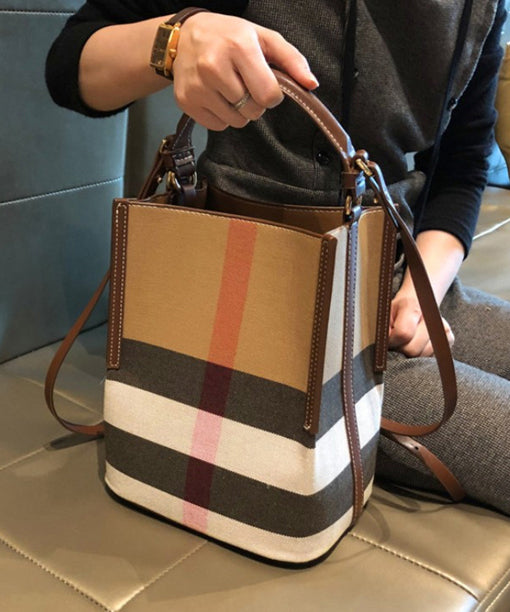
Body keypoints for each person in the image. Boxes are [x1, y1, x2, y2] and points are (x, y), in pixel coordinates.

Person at [46, 0, 510, 514]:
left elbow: (463, 166)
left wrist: (424, 293)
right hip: (256, 314)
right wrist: (177, 41)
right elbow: (70, 64)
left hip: (401, 278)